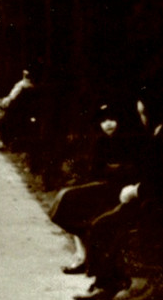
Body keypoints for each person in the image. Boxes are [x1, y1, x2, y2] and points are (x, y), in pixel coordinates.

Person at [74, 87, 163, 300]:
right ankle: (105, 280)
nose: (142, 118)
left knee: (104, 226)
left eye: (144, 113)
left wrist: (134, 191)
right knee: (102, 222)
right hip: (153, 201)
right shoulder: (161, 135)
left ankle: (108, 283)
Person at [50, 103, 143, 273]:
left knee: (81, 207)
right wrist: (113, 169)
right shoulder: (99, 142)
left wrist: (115, 169)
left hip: (121, 190)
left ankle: (87, 260)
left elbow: (132, 170)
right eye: (104, 121)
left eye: (112, 120)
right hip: (103, 187)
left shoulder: (128, 140)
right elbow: (95, 170)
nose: (108, 124)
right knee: (69, 203)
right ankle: (82, 256)